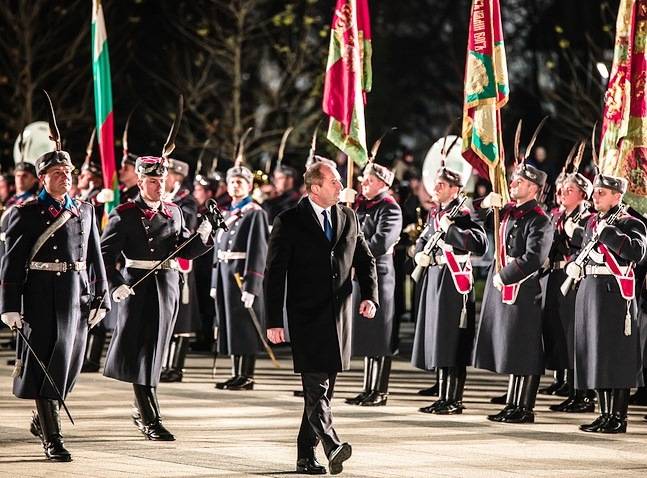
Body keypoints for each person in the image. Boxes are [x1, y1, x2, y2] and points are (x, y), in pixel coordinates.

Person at [0, 115, 109, 461]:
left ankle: (42, 416)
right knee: (45, 363)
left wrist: (100, 297)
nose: (65, 178)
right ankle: (53, 437)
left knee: (68, 366)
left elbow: (95, 257)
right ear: (43, 177)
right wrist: (9, 304)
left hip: (75, 297)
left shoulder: (86, 211)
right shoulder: (27, 212)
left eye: (69, 173)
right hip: (40, 296)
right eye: (58, 173)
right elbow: (12, 262)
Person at [265, 161, 378, 475]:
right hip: (306, 317)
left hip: (340, 318)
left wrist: (370, 295)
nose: (340, 187)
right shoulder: (289, 221)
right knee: (315, 388)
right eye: (334, 182)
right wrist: (273, 320)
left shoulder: (348, 216)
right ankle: (332, 444)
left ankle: (304, 456)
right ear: (314, 187)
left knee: (323, 393)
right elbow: (274, 275)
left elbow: (365, 259)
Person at [101, 155, 214, 441]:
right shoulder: (124, 213)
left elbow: (182, 250)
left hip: (167, 287)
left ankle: (145, 413)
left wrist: (203, 234)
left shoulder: (173, 211)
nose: (158, 187)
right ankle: (150, 417)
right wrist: (115, 284)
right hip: (137, 289)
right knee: (141, 350)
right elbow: (103, 257)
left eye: (161, 181)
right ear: (140, 182)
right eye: (152, 181)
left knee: (156, 350)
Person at [473, 163, 553, 424]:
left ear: (532, 187)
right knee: (513, 348)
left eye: (519, 181)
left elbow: (534, 258)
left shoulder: (539, 218)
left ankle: (525, 408)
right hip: (506, 288)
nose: (512, 184)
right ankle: (512, 404)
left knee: (526, 349)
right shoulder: (506, 212)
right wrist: (485, 202)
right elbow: (471, 217)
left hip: (524, 289)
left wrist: (505, 276)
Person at [568, 174, 647, 433]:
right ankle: (604, 414)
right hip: (591, 291)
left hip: (615, 295)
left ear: (617, 196)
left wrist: (609, 233)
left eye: (601, 192)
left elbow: (636, 252)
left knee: (616, 355)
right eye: (596, 191)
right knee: (596, 354)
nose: (595, 196)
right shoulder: (593, 222)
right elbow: (585, 251)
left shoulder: (632, 223)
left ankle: (618, 417)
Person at [412, 165, 487, 415]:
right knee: (439, 338)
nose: (435, 188)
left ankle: (454, 398)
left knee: (453, 340)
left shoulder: (466, 212)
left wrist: (452, 229)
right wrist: (419, 252)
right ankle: (442, 395)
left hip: (455, 281)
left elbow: (480, 244)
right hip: (436, 276)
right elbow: (424, 237)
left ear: (455, 189)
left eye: (441, 185)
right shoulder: (438, 212)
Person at [346, 162, 402, 407]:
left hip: (380, 275)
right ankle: (367, 387)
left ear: (383, 183)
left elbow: (380, 242)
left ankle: (379, 390)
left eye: (369, 180)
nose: (363, 184)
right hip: (362, 275)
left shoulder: (390, 208)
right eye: (363, 179)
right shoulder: (360, 207)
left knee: (380, 333)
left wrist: (353, 253)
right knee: (368, 335)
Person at [211, 163, 269, 391]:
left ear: (249, 186)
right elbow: (218, 247)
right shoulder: (226, 213)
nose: (235, 186)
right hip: (225, 273)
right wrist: (215, 279)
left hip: (241, 274)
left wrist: (252, 285)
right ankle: (235, 372)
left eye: (240, 182)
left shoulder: (255, 213)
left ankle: (247, 375)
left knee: (244, 325)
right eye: (232, 182)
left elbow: (258, 251)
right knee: (229, 323)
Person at [542, 173, 595, 412]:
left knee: (575, 336)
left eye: (569, 190)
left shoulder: (588, 219)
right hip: (555, 277)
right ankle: (569, 387)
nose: (562, 194)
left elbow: (588, 246)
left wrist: (575, 232)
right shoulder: (559, 216)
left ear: (583, 194)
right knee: (561, 334)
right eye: (561, 189)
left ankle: (583, 395)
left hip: (574, 279)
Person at [159, 158, 200, 382]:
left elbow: (186, 228)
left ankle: (176, 367)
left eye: (167, 176)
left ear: (176, 177)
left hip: (182, 265)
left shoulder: (187, 202)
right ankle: (166, 364)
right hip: (168, 264)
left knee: (182, 318)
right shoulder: (168, 199)